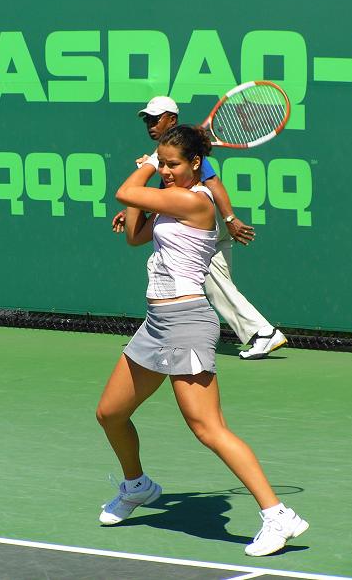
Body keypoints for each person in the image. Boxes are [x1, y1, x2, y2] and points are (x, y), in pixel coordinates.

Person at [97, 125, 308, 557]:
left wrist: (147, 168)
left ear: (196, 164)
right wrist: (139, 205)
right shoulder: (171, 202)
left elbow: (124, 191)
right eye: (163, 163)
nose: (166, 171)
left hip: (187, 324)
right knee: (110, 414)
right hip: (155, 323)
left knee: (207, 427)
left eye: (173, 164)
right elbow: (136, 236)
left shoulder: (193, 201)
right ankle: (137, 485)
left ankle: (277, 515)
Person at [112, 96, 287, 360]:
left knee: (200, 274)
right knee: (214, 284)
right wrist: (135, 206)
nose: (150, 123)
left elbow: (213, 183)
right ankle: (260, 332)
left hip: (202, 218)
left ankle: (262, 332)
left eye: (155, 118)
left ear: (172, 119)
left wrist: (229, 218)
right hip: (186, 214)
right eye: (147, 118)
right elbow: (159, 197)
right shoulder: (170, 153)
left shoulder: (183, 149)